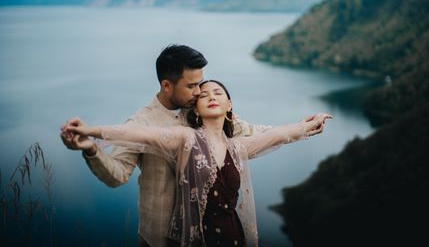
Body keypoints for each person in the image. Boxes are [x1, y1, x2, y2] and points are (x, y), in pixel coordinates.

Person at [63, 80, 333, 246]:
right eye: (204, 95)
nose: (211, 96)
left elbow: (279, 134)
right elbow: (139, 134)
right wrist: (90, 132)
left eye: (218, 93)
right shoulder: (185, 139)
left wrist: (312, 122)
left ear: (229, 105)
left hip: (232, 237)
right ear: (195, 108)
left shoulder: (238, 146)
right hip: (195, 240)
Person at [60, 44, 273, 247]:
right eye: (191, 86)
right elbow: (117, 175)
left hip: (206, 236)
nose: (199, 92)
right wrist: (91, 149)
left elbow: (248, 130)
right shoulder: (142, 123)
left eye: (200, 83)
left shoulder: (199, 109)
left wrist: (301, 128)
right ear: (167, 85)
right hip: (159, 239)